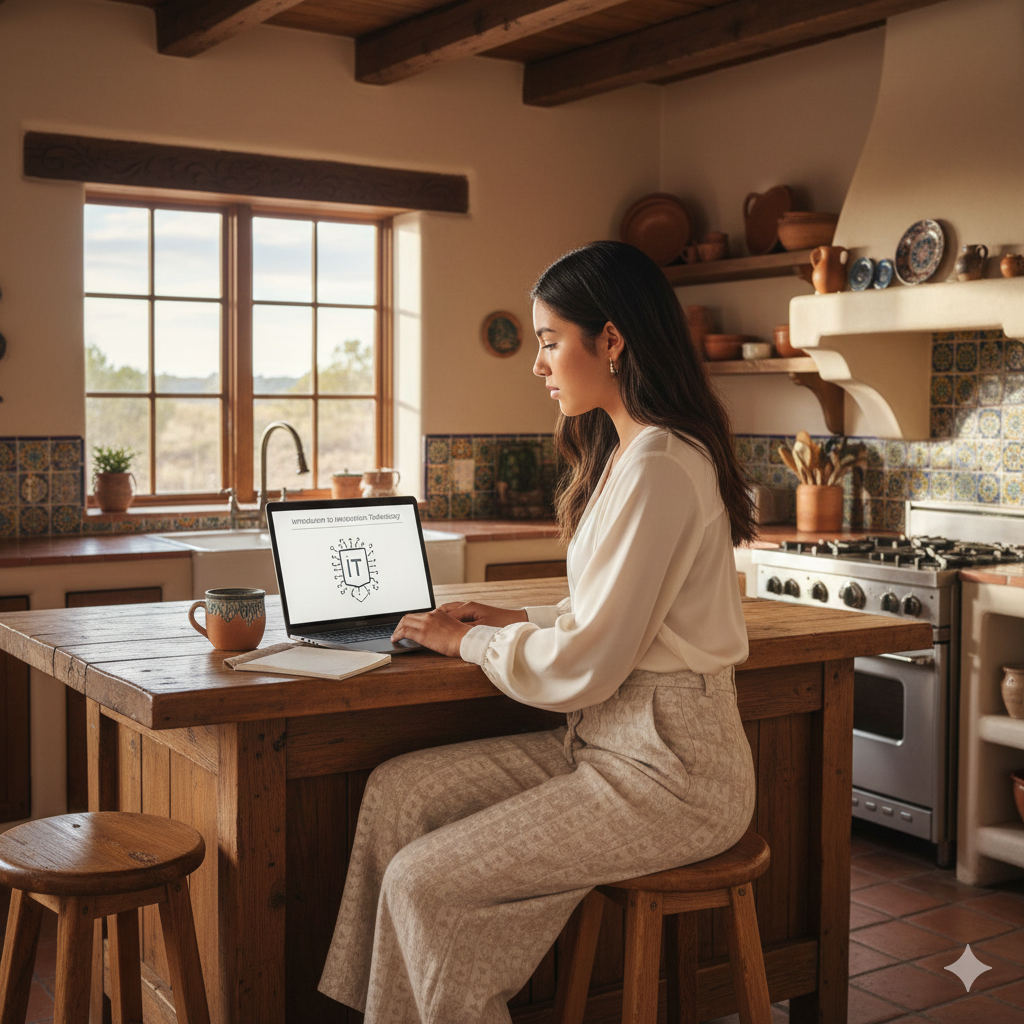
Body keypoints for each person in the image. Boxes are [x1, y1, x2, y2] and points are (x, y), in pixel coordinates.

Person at [318, 240, 758, 1024]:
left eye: (550, 339)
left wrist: (471, 643)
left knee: (424, 881)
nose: (538, 362)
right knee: (397, 795)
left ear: (612, 341)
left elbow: (590, 664)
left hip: (675, 773)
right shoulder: (633, 454)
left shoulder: (659, 463)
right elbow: (619, 622)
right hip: (609, 744)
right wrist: (517, 619)